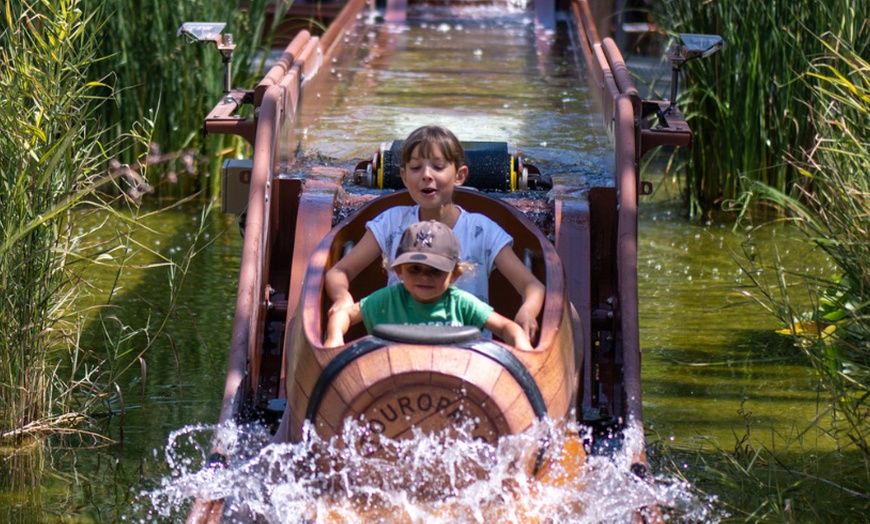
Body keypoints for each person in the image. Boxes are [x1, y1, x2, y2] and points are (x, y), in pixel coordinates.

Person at [325, 125, 545, 340]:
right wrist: (342, 297)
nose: (426, 175)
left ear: (459, 175)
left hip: (469, 357)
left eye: (438, 167)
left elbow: (531, 285)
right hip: (397, 350)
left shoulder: (481, 230)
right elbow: (340, 271)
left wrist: (527, 311)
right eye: (416, 167)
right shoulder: (391, 222)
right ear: (403, 176)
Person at [324, 221, 533, 351]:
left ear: (454, 275)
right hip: (391, 383)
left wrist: (523, 350)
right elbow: (344, 316)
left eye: (435, 270)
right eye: (415, 269)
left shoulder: (461, 303)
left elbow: (507, 327)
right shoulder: (387, 299)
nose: (424, 277)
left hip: (450, 383)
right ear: (399, 272)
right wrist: (334, 338)